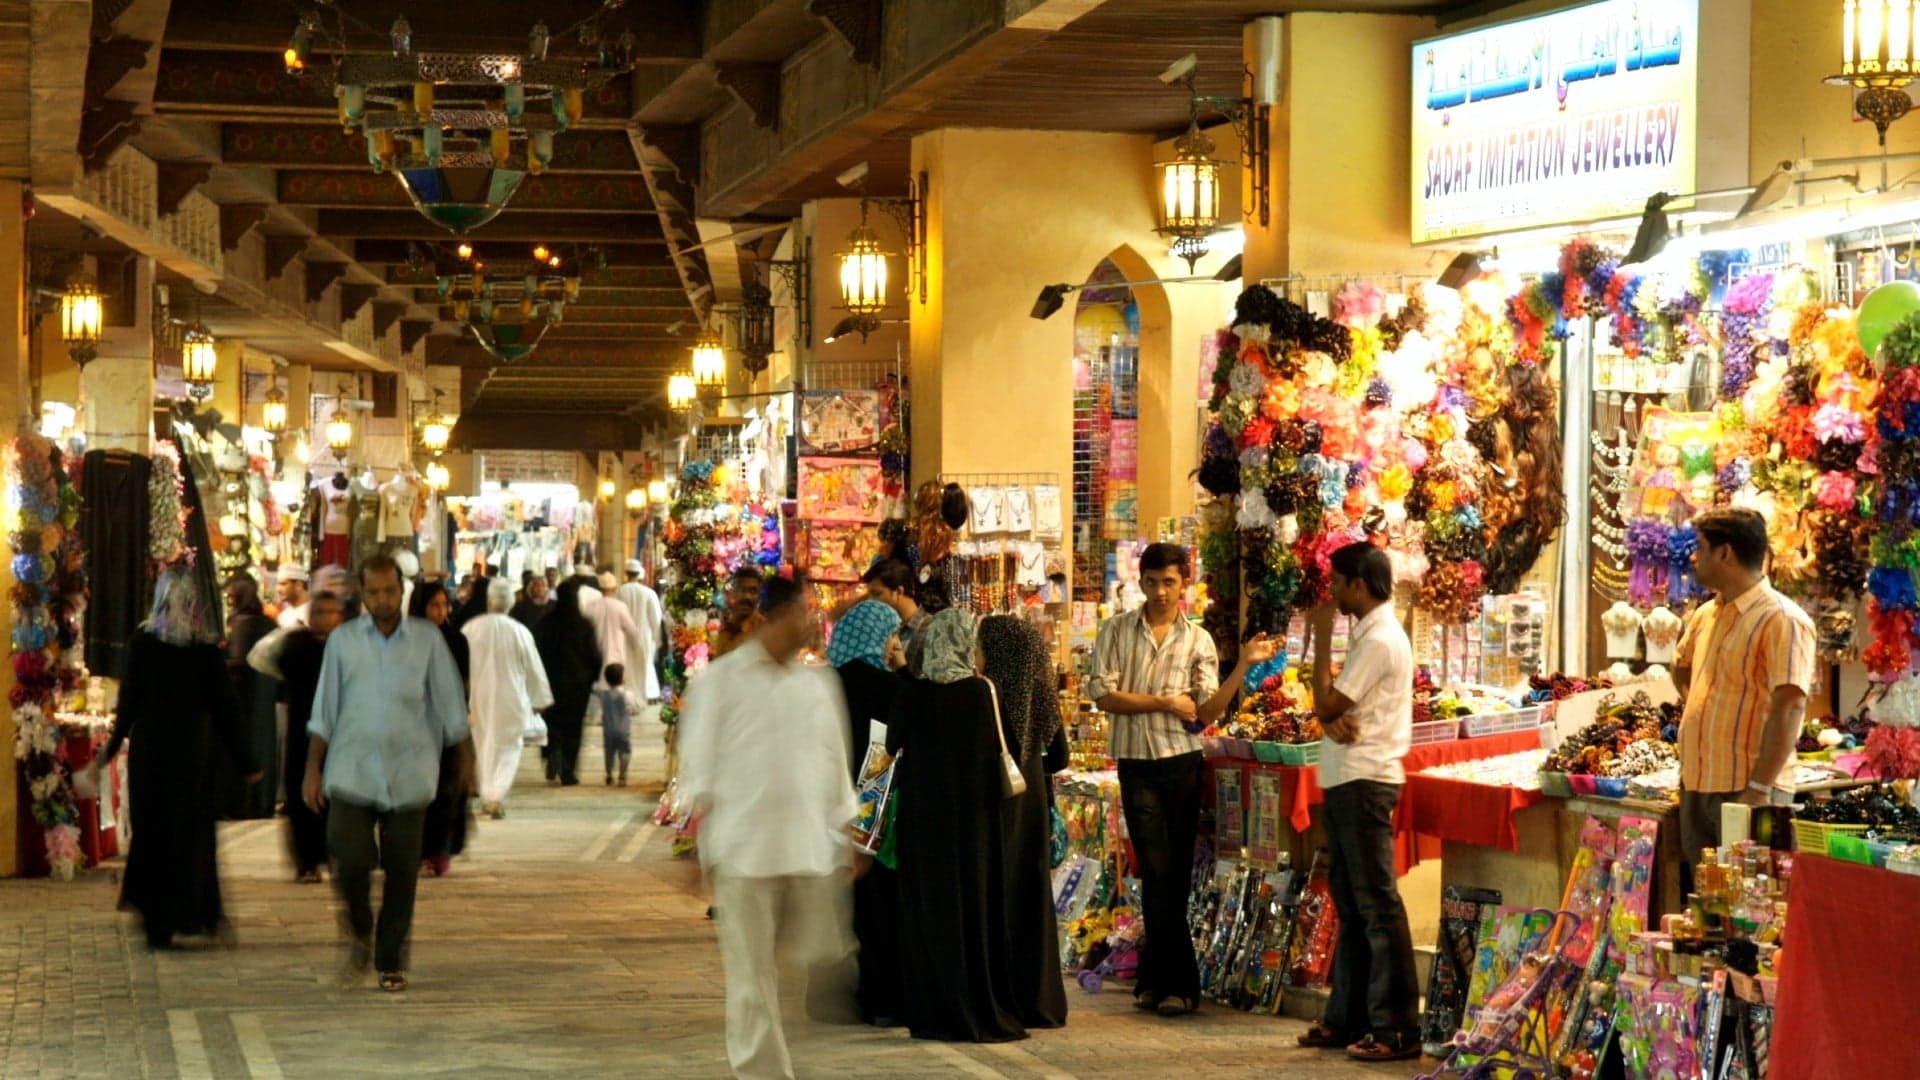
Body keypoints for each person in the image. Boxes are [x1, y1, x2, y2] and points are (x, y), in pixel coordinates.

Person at [1087, 542, 1275, 1017]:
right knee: (1154, 870)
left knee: (1172, 875)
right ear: (1141, 581)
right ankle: (1176, 981)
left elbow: (1208, 711)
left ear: (1183, 582)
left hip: (1182, 764)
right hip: (1135, 763)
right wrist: (1166, 702)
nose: (1160, 592)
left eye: (1169, 582)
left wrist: (1244, 666)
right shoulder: (1115, 631)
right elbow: (1103, 695)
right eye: (1152, 582)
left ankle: (1161, 980)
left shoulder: (1199, 640)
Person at [679, 574, 855, 1080]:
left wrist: (850, 837)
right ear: (772, 617)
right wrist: (700, 847)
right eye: (801, 611)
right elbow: (700, 765)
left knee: (818, 963)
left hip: (806, 849)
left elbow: (834, 761)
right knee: (752, 980)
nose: (808, 622)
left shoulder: (818, 685)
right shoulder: (723, 680)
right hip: (744, 852)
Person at [303, 555, 473, 993]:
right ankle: (360, 928)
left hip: (410, 770)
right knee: (349, 855)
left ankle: (389, 958)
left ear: (403, 591)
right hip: (352, 769)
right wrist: (312, 769)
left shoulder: (427, 641)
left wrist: (467, 763)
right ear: (363, 592)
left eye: (391, 591)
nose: (383, 599)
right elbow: (324, 710)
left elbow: (452, 708)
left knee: (401, 869)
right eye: (374, 592)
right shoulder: (343, 642)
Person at [91, 568, 261, 949]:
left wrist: (111, 747)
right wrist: (247, 760)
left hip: (154, 755)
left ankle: (159, 920)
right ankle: (190, 912)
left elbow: (129, 703)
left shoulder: (144, 642)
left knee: (155, 833)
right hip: (190, 756)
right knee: (188, 833)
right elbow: (225, 709)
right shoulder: (203, 648)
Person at [1300, 541, 1420, 1063]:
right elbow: (1333, 710)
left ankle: (1396, 1028)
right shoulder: (1372, 634)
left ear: (1360, 585)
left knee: (1376, 906)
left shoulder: (1380, 639)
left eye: (1337, 583)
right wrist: (1329, 716)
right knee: (1351, 905)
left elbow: (1328, 701)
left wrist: (1323, 639)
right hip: (1349, 778)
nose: (1331, 593)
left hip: (1366, 779)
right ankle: (1346, 1016)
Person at [886, 608, 1026, 1043]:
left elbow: (892, 745)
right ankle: (978, 1002)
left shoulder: (913, 694)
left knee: (930, 913)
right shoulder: (983, 693)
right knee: (974, 908)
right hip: (976, 827)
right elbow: (1012, 751)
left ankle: (934, 1009)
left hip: (924, 825)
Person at [1672, 507, 1815, 861]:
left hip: (1748, 791)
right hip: (1698, 785)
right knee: (1704, 905)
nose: (1693, 556)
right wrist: (1702, 711)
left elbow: (1790, 705)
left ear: (1725, 553)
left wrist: (1758, 788)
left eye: (1701, 546)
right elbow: (1681, 666)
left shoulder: (1782, 619)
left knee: (1752, 906)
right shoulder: (1708, 614)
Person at [979, 614, 1070, 1030]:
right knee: (1031, 896)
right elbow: (1062, 757)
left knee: (997, 893)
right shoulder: (1039, 704)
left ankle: (1002, 994)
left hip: (995, 804)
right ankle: (1039, 999)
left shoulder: (984, 700)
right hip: (1030, 797)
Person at [824, 599, 909, 1026]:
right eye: (892, 635)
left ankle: (827, 1001)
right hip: (875, 817)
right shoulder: (889, 688)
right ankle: (881, 1002)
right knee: (877, 913)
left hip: (826, 813)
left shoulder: (824, 683)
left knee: (834, 910)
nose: (896, 643)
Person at [250, 590, 347, 883]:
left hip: (339, 733)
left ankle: (334, 855)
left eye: (333, 612)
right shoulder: (296, 645)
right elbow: (265, 660)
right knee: (300, 795)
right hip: (302, 731)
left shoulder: (346, 648)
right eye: (321, 612)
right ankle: (307, 861)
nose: (327, 619)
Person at [464, 578, 553, 819]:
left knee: (483, 745)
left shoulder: (471, 629)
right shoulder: (519, 631)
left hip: (478, 698)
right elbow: (534, 667)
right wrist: (539, 699)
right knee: (509, 747)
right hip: (511, 699)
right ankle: (496, 795)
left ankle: (488, 794)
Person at [413, 580, 472, 878]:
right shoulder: (405, 640)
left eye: (443, 605)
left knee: (444, 791)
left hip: (447, 727)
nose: (440, 612)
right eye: (433, 605)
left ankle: (438, 850)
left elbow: (462, 686)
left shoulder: (456, 640)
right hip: (414, 728)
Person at [534, 579, 603, 786]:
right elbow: (594, 656)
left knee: (552, 723)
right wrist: (592, 678)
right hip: (577, 686)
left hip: (551, 683)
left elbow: (536, 653)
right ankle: (568, 770)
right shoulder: (583, 625)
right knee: (573, 727)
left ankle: (552, 753)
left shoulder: (545, 623)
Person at [224, 573, 281, 820]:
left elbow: (239, 663)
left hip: (245, 701)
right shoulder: (267, 622)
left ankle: (246, 804)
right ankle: (262, 801)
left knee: (247, 749)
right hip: (265, 698)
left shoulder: (242, 624)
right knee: (265, 747)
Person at [617, 559, 666, 702]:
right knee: (645, 663)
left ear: (626, 573)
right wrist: (657, 639)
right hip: (645, 635)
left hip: (626, 635)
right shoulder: (649, 593)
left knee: (629, 665)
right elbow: (655, 618)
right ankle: (648, 693)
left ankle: (630, 694)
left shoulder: (621, 591)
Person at [595, 663, 641, 786]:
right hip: (623, 730)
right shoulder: (627, 694)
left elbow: (595, 692)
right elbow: (635, 708)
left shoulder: (603, 695)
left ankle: (609, 774)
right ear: (622, 678)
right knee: (625, 751)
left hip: (608, 730)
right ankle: (622, 774)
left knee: (609, 753)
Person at [711, 568, 767, 659]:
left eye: (753, 591)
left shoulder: (764, 630)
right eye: (742, 590)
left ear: (759, 596)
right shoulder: (726, 630)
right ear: (733, 593)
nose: (747, 596)